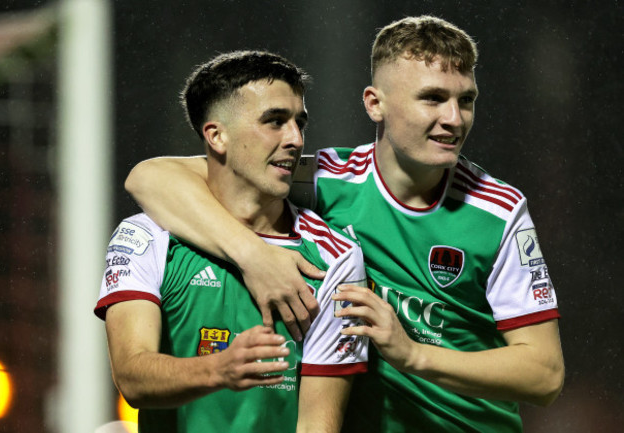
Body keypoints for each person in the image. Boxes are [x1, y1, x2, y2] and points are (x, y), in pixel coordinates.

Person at [124, 16, 565, 432]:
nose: (454, 118)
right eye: (433, 98)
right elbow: (150, 178)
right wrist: (254, 255)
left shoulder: (498, 211)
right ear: (375, 104)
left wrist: (413, 354)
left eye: (465, 100)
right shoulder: (324, 181)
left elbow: (544, 375)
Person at [94, 50, 368, 433]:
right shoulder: (144, 235)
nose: (295, 139)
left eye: (299, 123)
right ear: (217, 136)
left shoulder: (335, 257)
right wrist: (219, 369)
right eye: (274, 121)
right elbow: (132, 378)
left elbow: (317, 425)